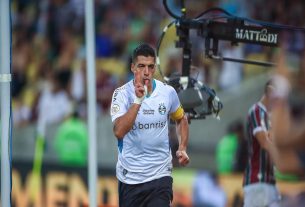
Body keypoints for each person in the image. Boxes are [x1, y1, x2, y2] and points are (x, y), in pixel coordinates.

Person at [110, 43, 190, 207]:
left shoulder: (167, 93)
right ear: (133, 67)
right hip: (130, 178)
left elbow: (181, 119)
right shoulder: (121, 94)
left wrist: (182, 147)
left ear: (154, 68)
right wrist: (138, 100)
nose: (146, 72)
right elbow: (119, 131)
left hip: (160, 175)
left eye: (150, 67)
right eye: (141, 66)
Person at [243, 80, 280, 207]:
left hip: (269, 182)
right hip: (257, 181)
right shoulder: (257, 111)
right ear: (270, 91)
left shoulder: (271, 116)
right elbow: (264, 143)